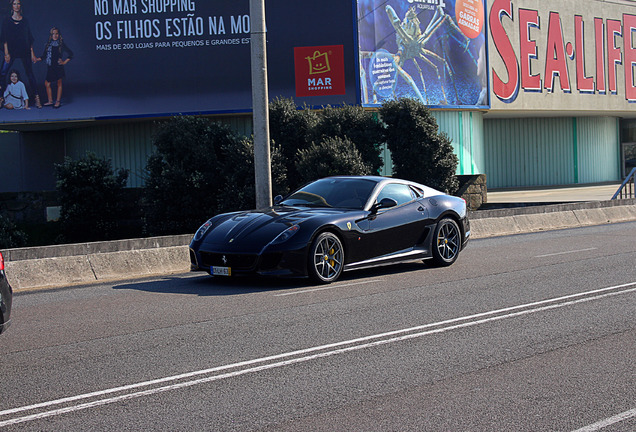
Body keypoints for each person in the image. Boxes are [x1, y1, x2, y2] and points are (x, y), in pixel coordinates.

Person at [0, 0, 41, 108]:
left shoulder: (25, 21)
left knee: (30, 74)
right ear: (12, 6)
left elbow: (29, 38)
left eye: (18, 4)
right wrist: (6, 53)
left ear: (20, 6)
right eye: (14, 4)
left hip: (24, 50)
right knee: (3, 73)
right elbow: (4, 38)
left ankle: (37, 98)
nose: (16, 6)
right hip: (11, 51)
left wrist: (32, 53)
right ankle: (1, 98)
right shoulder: (6, 20)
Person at [37, 26, 72, 108]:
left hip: (58, 67)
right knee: (47, 83)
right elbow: (44, 56)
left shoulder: (61, 44)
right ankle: (50, 100)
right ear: (51, 35)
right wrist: (37, 59)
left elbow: (71, 54)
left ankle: (58, 101)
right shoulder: (48, 45)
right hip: (50, 67)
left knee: (59, 83)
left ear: (59, 35)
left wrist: (64, 62)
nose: (55, 35)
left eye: (56, 34)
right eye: (53, 34)